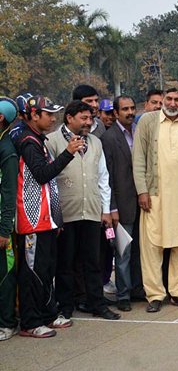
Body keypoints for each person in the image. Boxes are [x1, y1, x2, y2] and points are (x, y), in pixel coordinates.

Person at [46, 100, 120, 321]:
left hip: (91, 210)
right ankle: (65, 307)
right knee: (66, 263)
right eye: (84, 118)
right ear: (69, 118)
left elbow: (103, 177)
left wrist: (105, 210)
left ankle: (97, 303)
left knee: (92, 261)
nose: (89, 122)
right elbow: (48, 178)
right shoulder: (52, 141)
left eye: (90, 118)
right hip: (65, 212)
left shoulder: (95, 142)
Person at [133, 89, 178, 312]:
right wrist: (142, 191)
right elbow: (138, 159)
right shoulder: (148, 121)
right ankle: (154, 295)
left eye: (177, 100)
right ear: (163, 100)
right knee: (152, 245)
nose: (172, 103)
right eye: (169, 99)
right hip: (156, 194)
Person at [14, 96, 77, 338]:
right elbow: (42, 175)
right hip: (32, 220)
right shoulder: (27, 141)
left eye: (54, 114)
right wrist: (68, 153)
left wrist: (56, 218)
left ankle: (48, 314)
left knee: (47, 269)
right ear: (33, 115)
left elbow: (49, 185)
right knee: (33, 272)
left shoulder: (38, 139)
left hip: (47, 219)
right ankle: (30, 322)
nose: (53, 118)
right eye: (48, 114)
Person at [100, 96, 141, 312]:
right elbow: (107, 177)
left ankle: (137, 289)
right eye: (125, 109)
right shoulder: (109, 138)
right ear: (115, 113)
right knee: (122, 253)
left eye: (133, 108)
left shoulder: (140, 131)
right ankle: (123, 295)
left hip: (142, 202)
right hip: (121, 206)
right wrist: (112, 208)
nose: (130, 112)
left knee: (140, 251)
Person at [0, 98, 19, 341]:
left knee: (4, 275)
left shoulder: (7, 150)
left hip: (1, 226)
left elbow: (9, 193)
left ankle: (7, 323)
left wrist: (5, 230)